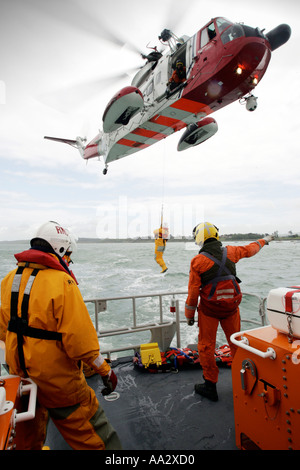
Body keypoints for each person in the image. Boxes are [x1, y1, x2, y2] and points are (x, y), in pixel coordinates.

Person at [0, 221, 122, 450]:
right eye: (69, 254)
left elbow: (3, 330)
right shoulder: (63, 283)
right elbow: (81, 343)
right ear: (61, 250)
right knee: (98, 439)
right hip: (58, 385)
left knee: (27, 442)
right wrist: (105, 370)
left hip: (22, 379)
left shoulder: (8, 280)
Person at [185, 222, 274, 402]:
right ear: (216, 236)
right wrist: (264, 240)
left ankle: (210, 385)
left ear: (199, 239)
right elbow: (251, 249)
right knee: (237, 344)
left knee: (206, 346)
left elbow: (193, 293)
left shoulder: (197, 261)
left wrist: (189, 316)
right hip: (231, 310)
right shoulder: (231, 252)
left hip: (209, 311)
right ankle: (246, 381)